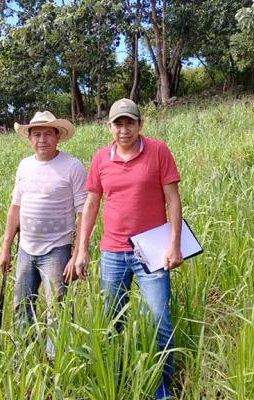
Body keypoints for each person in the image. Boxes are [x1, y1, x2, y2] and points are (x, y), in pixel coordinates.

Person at [74, 99, 183, 399]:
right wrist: (82, 249)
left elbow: (172, 199)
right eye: (118, 124)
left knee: (160, 320)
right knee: (111, 322)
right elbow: (92, 205)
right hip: (112, 253)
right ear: (108, 127)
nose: (124, 129)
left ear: (140, 124)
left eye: (129, 123)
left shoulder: (158, 151)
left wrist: (174, 243)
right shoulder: (99, 159)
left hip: (152, 250)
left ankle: (161, 386)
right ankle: (118, 379)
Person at [0, 110, 87, 359]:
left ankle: (54, 361)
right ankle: (23, 358)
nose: (42, 139)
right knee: (20, 306)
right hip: (25, 248)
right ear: (29, 138)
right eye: (36, 134)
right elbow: (15, 207)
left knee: (56, 308)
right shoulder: (24, 166)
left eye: (48, 134)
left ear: (58, 136)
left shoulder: (72, 166)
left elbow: (84, 212)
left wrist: (77, 253)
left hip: (57, 250)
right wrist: (6, 247)